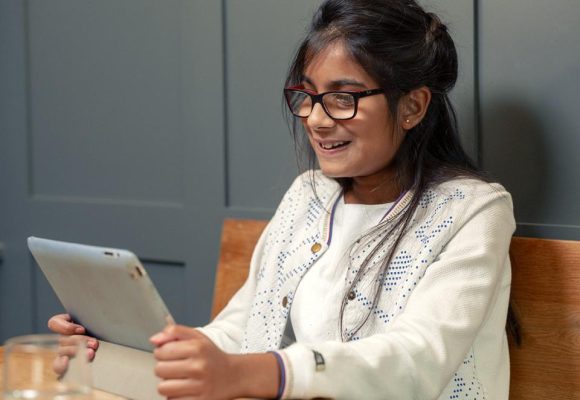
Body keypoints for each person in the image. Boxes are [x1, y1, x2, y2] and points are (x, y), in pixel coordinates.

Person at [49, 0, 516, 398]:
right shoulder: (307, 196)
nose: (315, 119)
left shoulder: (473, 210)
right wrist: (129, 347)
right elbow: (242, 330)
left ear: (412, 106)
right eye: (308, 96)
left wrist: (263, 372)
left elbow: (418, 357)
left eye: (343, 98)